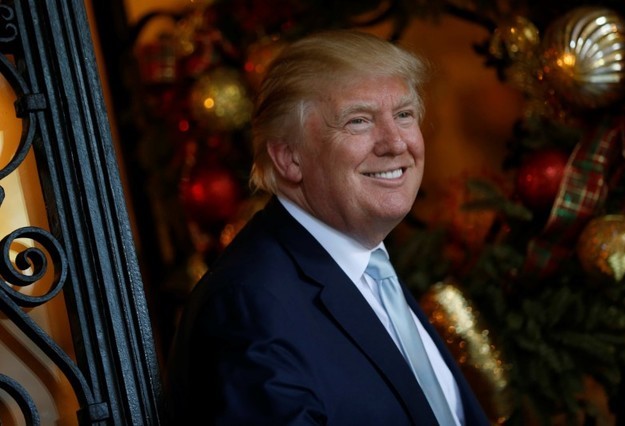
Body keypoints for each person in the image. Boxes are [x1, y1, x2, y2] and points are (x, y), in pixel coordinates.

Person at [165, 29, 489, 425]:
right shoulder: (247, 306)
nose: (395, 143)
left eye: (404, 114)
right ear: (289, 159)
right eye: (358, 121)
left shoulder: (370, 267)